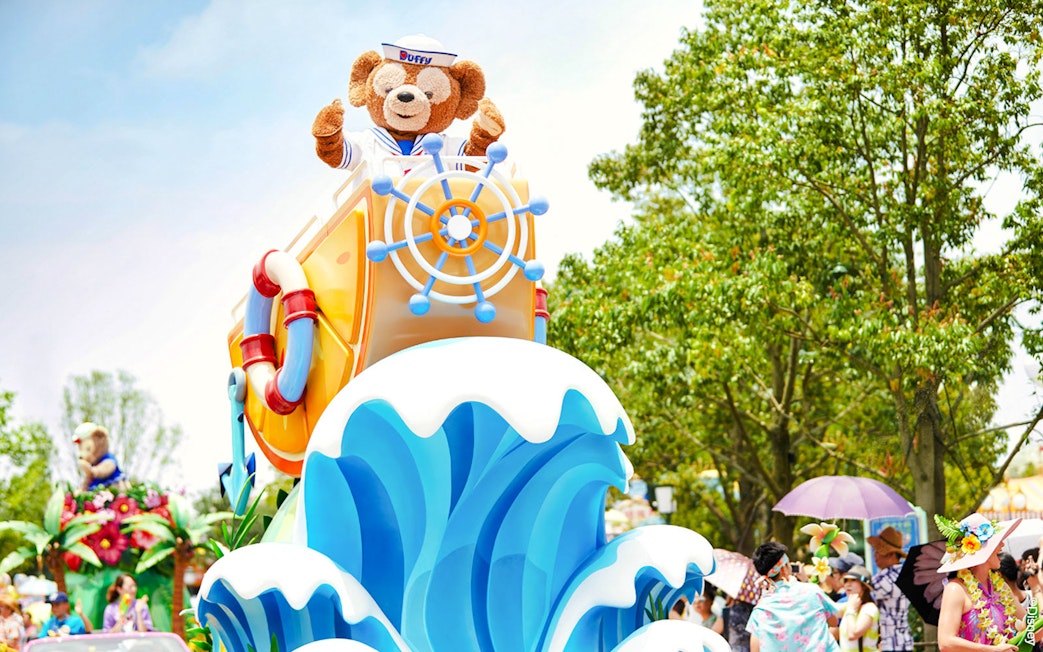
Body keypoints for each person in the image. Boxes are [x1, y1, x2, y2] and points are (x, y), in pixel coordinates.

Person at [936, 513, 1025, 652]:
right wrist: (992, 650)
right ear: (981, 550)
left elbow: (1029, 627)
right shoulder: (955, 589)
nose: (1002, 544)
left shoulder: (1002, 588)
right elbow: (945, 642)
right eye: (996, 542)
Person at [746, 541, 840, 652]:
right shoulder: (812, 591)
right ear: (783, 569)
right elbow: (833, 622)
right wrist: (805, 581)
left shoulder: (761, 609)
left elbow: (755, 648)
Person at [867, 526, 913, 652]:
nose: (875, 555)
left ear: (891, 554)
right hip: (903, 641)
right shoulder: (905, 574)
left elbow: (865, 595)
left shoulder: (885, 578)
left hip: (891, 643)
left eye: (878, 551)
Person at [838, 565, 880, 652]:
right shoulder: (847, 606)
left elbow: (853, 634)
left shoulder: (870, 608)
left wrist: (851, 611)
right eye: (846, 581)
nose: (848, 584)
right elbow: (826, 609)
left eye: (853, 580)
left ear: (864, 586)